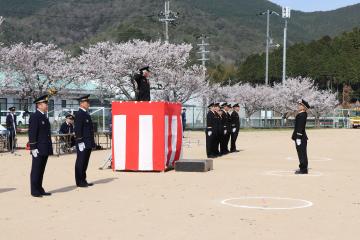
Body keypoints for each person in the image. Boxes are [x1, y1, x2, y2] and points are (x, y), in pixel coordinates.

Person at [28, 95, 53, 197]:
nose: (47, 105)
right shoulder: (35, 116)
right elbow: (32, 133)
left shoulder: (43, 116)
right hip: (38, 148)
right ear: (39, 105)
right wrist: (33, 147)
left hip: (44, 147)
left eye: (47, 103)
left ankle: (39, 188)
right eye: (45, 104)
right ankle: (34, 190)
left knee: (41, 169)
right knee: (36, 169)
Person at [74, 95, 95, 187]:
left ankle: (83, 179)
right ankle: (79, 181)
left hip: (88, 142)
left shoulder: (86, 113)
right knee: (81, 162)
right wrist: (80, 141)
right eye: (87, 102)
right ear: (81, 103)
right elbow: (78, 129)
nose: (88, 104)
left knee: (85, 162)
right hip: (83, 142)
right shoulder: (79, 114)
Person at [292, 99, 310, 174]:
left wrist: (298, 137)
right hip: (300, 136)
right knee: (301, 153)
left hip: (301, 137)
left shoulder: (302, 115)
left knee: (302, 153)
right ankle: (302, 167)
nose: (298, 106)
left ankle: (303, 169)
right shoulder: (301, 114)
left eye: (300, 105)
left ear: (303, 107)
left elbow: (300, 127)